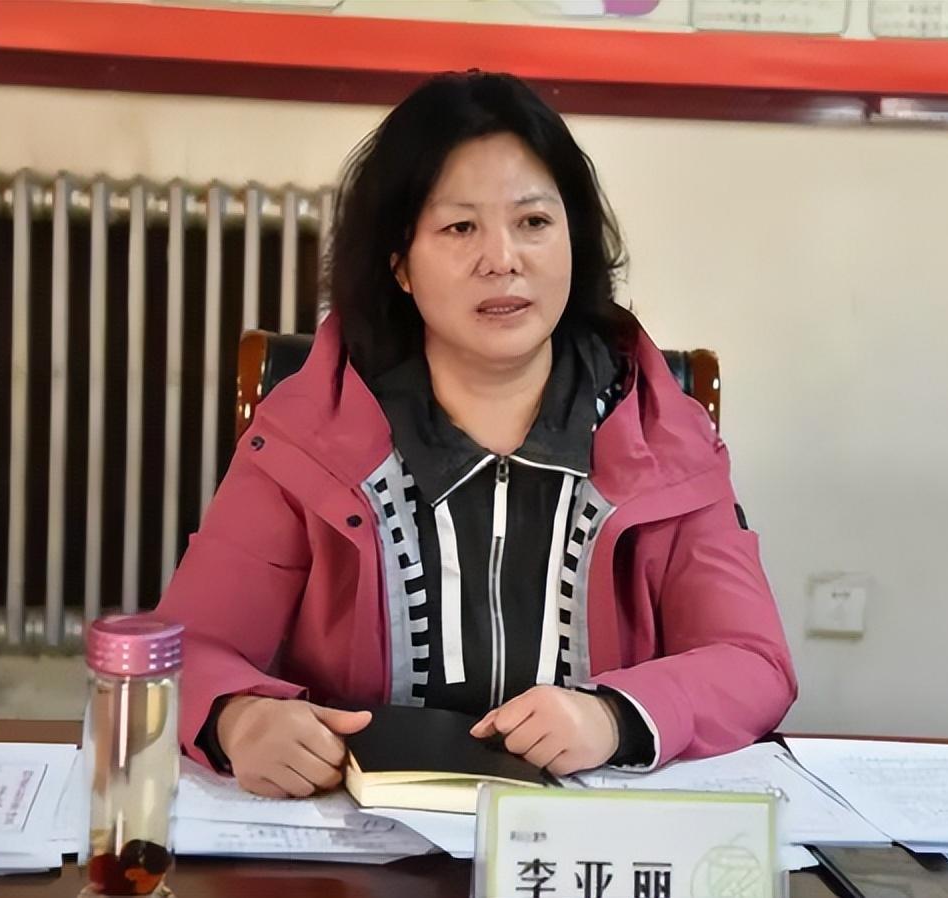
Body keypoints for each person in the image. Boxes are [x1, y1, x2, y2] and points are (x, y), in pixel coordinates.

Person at [156, 71, 796, 799]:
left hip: (580, 837)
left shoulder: (661, 437)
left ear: (574, 240)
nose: (503, 259)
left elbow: (753, 661)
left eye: (534, 222)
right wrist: (239, 718)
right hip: (361, 834)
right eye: (460, 228)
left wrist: (614, 717)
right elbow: (186, 649)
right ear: (400, 264)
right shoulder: (312, 432)